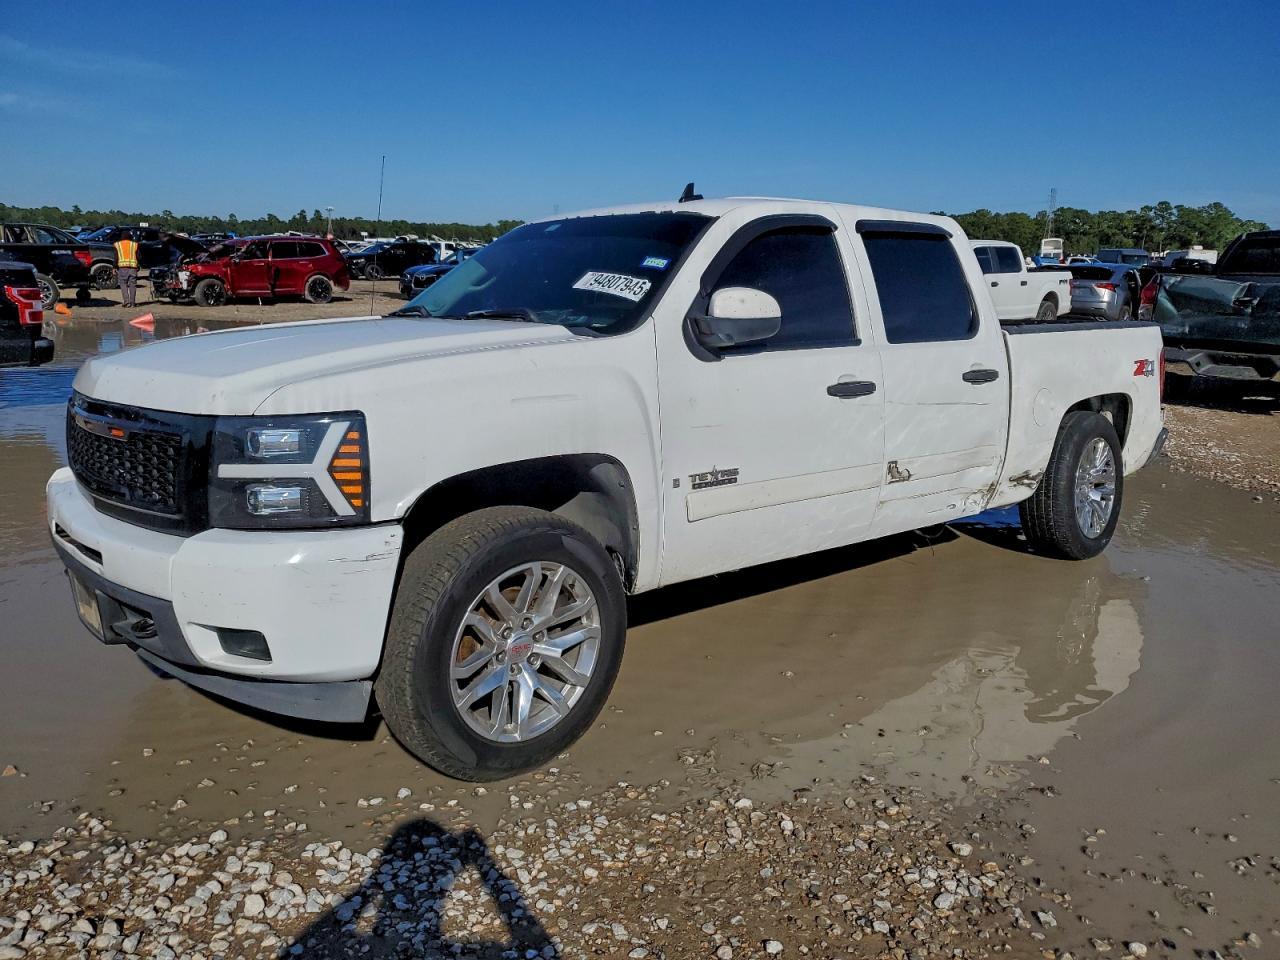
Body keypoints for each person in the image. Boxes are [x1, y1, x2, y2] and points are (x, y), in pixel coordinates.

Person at [113, 230, 140, 308]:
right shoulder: (135, 244)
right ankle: (132, 303)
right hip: (133, 268)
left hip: (122, 268)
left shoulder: (118, 245)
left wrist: (114, 267)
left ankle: (126, 302)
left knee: (123, 284)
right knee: (133, 285)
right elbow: (139, 256)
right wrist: (138, 265)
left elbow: (116, 257)